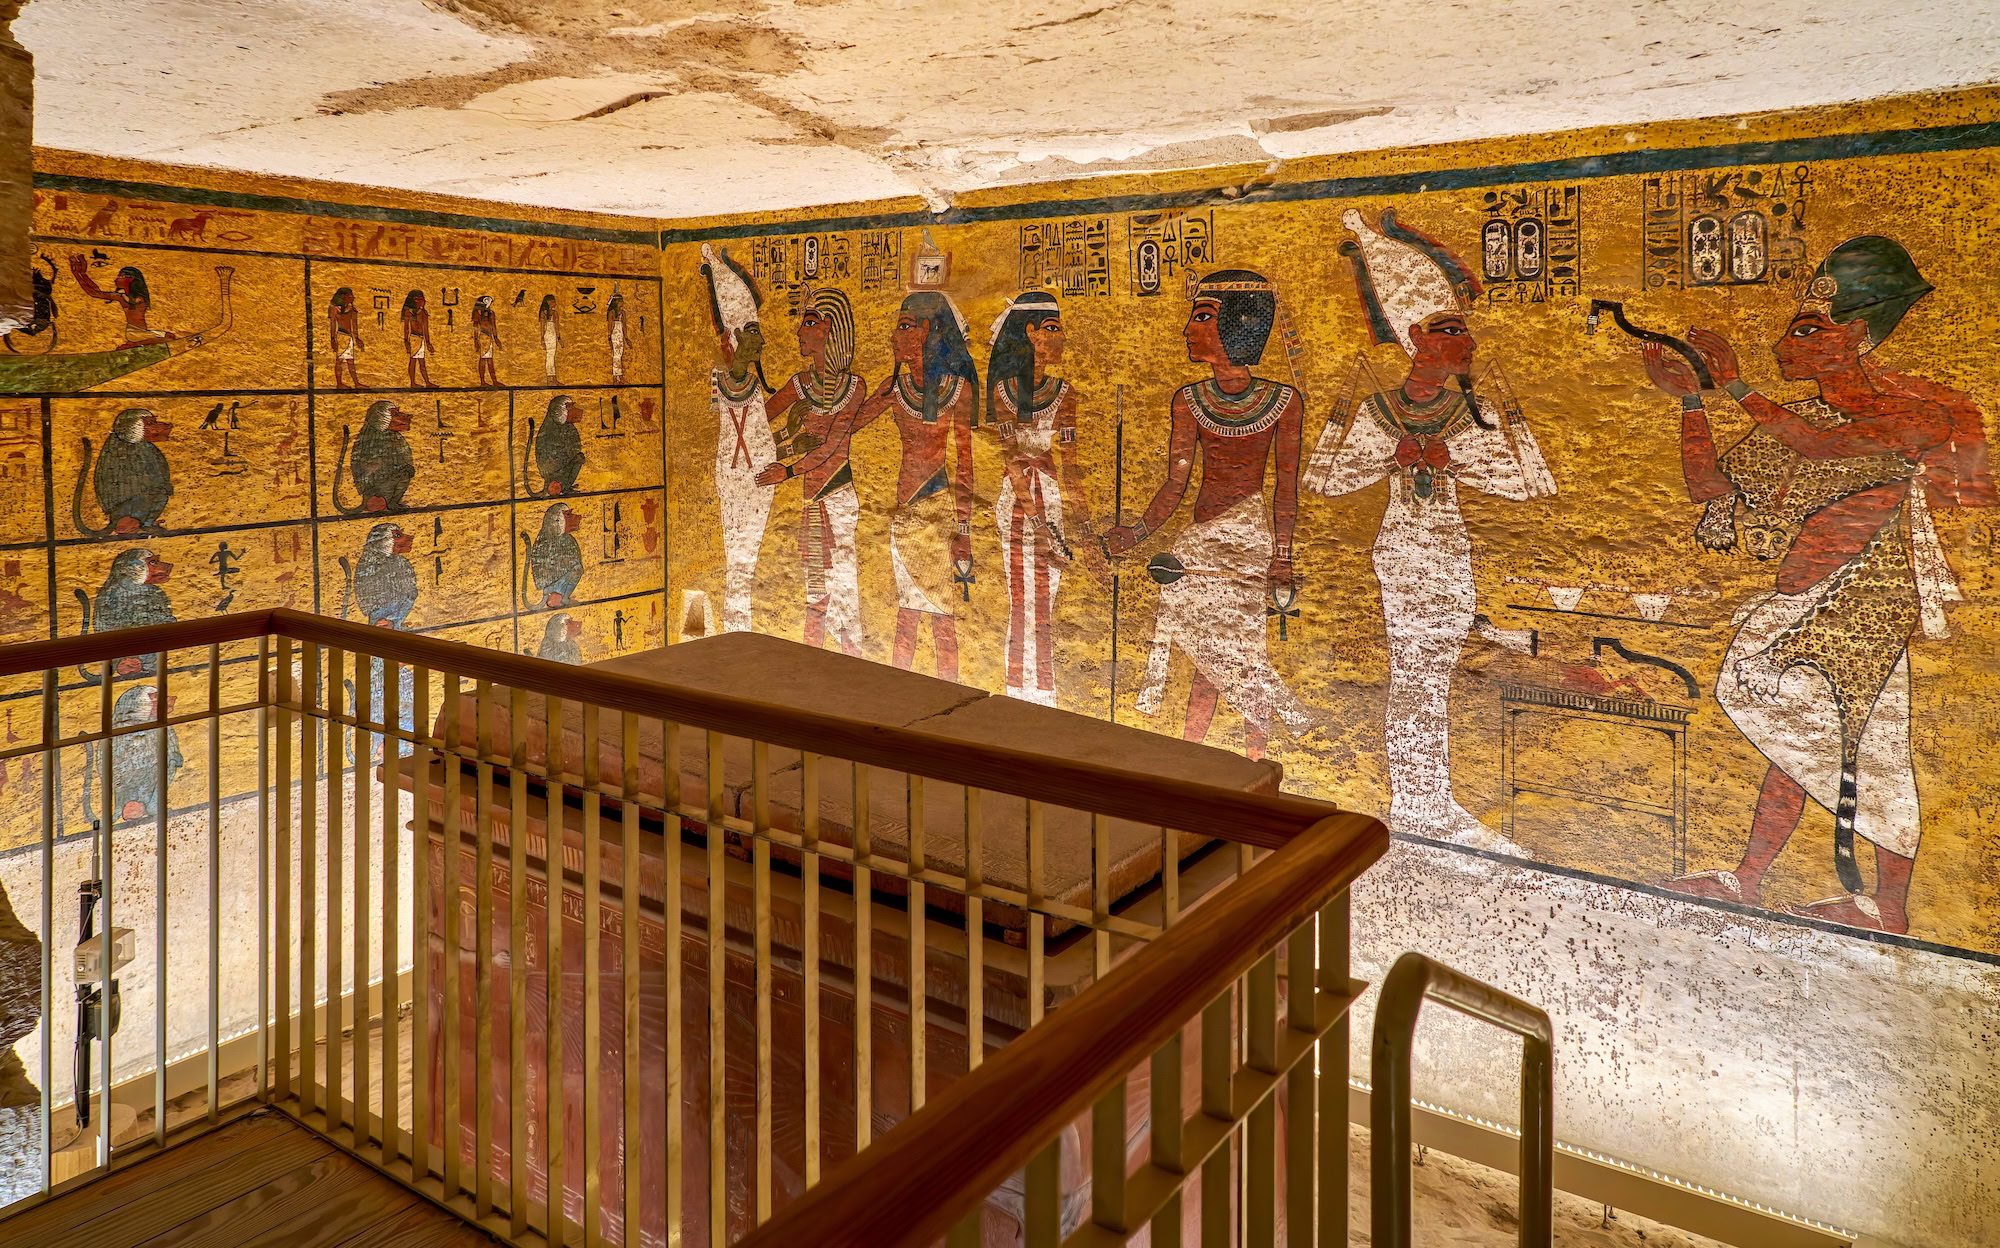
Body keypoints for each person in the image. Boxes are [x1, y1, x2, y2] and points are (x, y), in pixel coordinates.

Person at [1644, 235, 1992, 933]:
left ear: (1856, 334)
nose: (1784, 345)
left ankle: (1881, 904)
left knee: (1854, 743)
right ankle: (1758, 880)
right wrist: (1690, 403)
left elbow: (1823, 448)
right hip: (1807, 603)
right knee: (1808, 740)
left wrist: (1736, 386)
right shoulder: (1799, 419)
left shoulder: (1916, 413)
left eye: (1807, 330)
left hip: (1864, 610)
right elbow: (1710, 485)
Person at [1302, 210, 1556, 846]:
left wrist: (1456, 457)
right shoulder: (1379, 408)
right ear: (1416, 338)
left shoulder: (1475, 409)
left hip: (1448, 549)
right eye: (1450, 330)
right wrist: (1388, 457)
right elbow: (1327, 480)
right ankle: (1419, 802)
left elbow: (1528, 482)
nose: (1467, 343)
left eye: (1465, 331)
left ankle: (1426, 799)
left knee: (1433, 675)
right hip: (1402, 552)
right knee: (1415, 674)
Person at [1104, 270, 1314, 760]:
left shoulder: (1284, 402)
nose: (1188, 330)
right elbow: (1175, 483)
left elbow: (1285, 486)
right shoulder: (1189, 400)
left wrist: (1282, 557)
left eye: (1202, 317)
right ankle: (1193, 759)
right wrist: (1136, 533)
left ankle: (1256, 762)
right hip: (1198, 544)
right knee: (1204, 657)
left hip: (1249, 541)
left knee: (1246, 657)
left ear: (1240, 324)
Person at [853, 290, 979, 679]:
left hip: (939, 510)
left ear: (926, 331)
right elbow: (849, 424)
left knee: (943, 619)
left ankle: (951, 698)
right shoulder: (895, 388)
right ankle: (895, 697)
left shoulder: (957, 390)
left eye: (904, 327)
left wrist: (963, 531)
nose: (894, 336)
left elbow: (965, 465)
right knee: (906, 615)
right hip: (904, 513)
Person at [987, 291, 1093, 704]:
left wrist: (1085, 527)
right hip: (1018, 503)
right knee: (1021, 595)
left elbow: (1071, 463)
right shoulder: (1004, 391)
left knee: (1045, 596)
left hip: (1049, 495)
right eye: (1052, 328)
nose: (1061, 337)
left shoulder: (1065, 394)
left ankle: (1044, 690)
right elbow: (1012, 461)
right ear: (1029, 333)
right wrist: (1037, 525)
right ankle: (1017, 686)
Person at [754, 288, 867, 656]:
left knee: (843, 599)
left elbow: (831, 445)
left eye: (808, 322)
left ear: (828, 327)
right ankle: (812, 668)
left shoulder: (854, 387)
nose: (799, 332)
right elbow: (757, 425)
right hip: (811, 502)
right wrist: (787, 438)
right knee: (815, 596)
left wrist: (787, 470)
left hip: (837, 497)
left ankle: (851, 669)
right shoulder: (799, 385)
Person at [702, 245, 777, 633]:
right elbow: (726, 427)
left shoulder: (753, 387)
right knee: (738, 558)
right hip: (736, 479)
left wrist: (790, 438)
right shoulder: (722, 382)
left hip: (757, 479)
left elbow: (758, 431)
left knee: (747, 558)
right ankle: (736, 625)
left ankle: (741, 624)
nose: (761, 340)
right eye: (754, 332)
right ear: (733, 338)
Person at [70, 258, 171, 343]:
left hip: (141, 333)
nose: (116, 280)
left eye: (120, 277)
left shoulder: (136, 297)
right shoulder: (122, 297)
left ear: (130, 279)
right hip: (134, 333)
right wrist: (81, 274)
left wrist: (80, 274)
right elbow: (95, 292)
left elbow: (95, 292)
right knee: (167, 338)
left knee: (169, 336)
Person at [328, 287, 364, 389]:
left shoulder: (352, 310)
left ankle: (356, 383)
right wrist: (333, 339)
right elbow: (333, 324)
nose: (353, 298)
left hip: (349, 337)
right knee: (339, 361)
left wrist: (357, 338)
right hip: (341, 337)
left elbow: (354, 325)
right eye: (350, 296)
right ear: (344, 297)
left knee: (350, 361)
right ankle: (339, 383)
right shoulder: (335, 309)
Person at [400, 290, 436, 389]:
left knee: (421, 362)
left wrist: (428, 342)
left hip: (420, 339)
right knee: (413, 361)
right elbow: (406, 328)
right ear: (415, 300)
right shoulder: (409, 313)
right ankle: (414, 383)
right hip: (414, 339)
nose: (424, 301)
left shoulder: (423, 313)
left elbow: (425, 329)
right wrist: (406, 341)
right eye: (421, 299)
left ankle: (427, 382)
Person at [472, 294, 501, 387]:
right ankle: (484, 382)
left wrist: (496, 338)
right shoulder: (478, 313)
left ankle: (493, 381)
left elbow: (493, 326)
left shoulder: (491, 313)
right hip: (483, 337)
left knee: (489, 360)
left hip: (489, 337)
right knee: (484, 359)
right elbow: (475, 327)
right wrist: (476, 340)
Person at [606, 290, 629, 384]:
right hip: (615, 334)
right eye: (621, 301)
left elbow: (624, 326)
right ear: (616, 302)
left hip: (620, 334)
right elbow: (610, 325)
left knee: (620, 354)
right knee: (616, 355)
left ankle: (619, 376)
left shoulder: (623, 313)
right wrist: (609, 337)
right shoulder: (612, 312)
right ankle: (616, 376)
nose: (622, 302)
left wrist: (626, 338)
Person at [539, 293, 560, 382]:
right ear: (548, 302)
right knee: (549, 356)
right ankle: (550, 378)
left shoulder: (555, 313)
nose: (555, 303)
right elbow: (542, 327)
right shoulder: (544, 313)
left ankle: (553, 378)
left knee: (552, 356)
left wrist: (559, 338)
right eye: (553, 301)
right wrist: (542, 339)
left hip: (553, 335)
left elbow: (557, 327)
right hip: (547, 335)